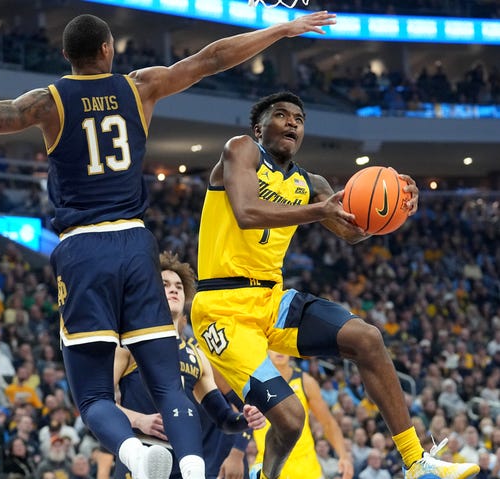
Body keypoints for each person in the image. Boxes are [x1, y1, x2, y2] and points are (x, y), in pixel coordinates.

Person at [0, 12, 337, 479]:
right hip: (135, 243)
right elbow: (212, 58)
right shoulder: (140, 87)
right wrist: (280, 29)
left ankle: (133, 454)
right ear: (109, 50)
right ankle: (192, 466)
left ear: (66, 55)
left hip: (83, 249)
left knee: (92, 395)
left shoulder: (46, 102)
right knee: (169, 382)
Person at [189, 91, 480, 479]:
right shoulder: (241, 150)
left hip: (270, 300)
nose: (292, 122)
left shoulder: (311, 183)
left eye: (299, 118)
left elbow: (353, 231)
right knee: (292, 418)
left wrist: (392, 209)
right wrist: (317, 210)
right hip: (221, 308)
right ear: (259, 128)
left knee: (368, 339)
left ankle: (416, 461)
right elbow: (245, 212)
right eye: (281, 115)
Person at [113, 252, 265, 479]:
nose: (173, 289)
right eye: (164, 284)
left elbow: (224, 419)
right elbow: (98, 405)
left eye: (178, 286)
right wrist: (140, 420)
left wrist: (246, 419)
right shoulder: (127, 344)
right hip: (139, 455)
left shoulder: (197, 355)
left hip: (185, 463)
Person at [250, 352, 353, 479]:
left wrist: (343, 455)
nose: (278, 351)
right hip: (268, 462)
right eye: (272, 347)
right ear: (265, 349)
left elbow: (328, 422)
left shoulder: (306, 381)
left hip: (306, 465)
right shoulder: (252, 381)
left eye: (279, 346)